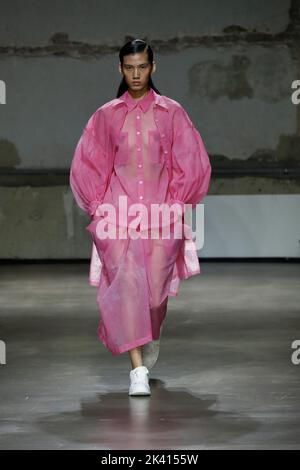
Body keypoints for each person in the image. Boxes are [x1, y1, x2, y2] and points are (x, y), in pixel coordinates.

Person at [69, 39, 211, 396]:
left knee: (153, 297)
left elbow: (189, 158)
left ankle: (149, 335)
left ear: (153, 67)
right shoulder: (106, 116)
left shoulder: (171, 112)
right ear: (120, 69)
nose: (136, 74)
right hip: (117, 216)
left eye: (142, 67)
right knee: (128, 289)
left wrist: (179, 203)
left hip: (162, 215)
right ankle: (138, 372)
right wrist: (98, 207)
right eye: (129, 67)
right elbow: (90, 162)